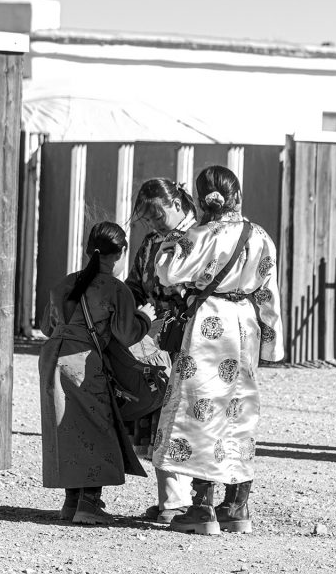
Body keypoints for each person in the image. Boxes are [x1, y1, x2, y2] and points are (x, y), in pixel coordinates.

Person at [152, 165, 285, 535]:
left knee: (201, 409)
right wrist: (271, 346)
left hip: (209, 325)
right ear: (236, 195)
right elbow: (268, 293)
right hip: (246, 325)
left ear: (202, 199)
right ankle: (236, 505)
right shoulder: (260, 236)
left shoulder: (199, 235)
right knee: (239, 410)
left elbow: (167, 273)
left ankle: (201, 507)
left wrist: (172, 238)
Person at [38, 221, 157, 524]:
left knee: (66, 429)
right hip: (83, 362)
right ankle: (89, 504)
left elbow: (46, 327)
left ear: (88, 249)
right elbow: (127, 334)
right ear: (120, 253)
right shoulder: (116, 289)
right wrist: (145, 317)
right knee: (97, 428)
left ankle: (71, 502)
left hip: (51, 358)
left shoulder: (65, 283)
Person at [125, 178, 199, 524]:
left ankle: (184, 501)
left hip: (193, 337)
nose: (154, 223)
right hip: (156, 340)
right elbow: (135, 287)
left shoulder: (200, 238)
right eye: (148, 218)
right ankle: (171, 500)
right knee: (158, 417)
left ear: (178, 204)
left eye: (158, 214)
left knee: (181, 416)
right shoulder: (152, 242)